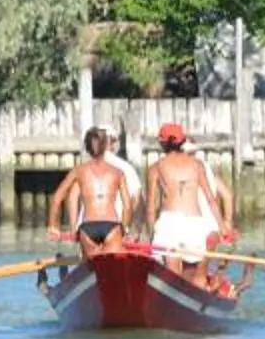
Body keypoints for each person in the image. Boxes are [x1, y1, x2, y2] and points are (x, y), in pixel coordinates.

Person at [138, 120, 235, 285]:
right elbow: (211, 200)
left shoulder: (156, 167)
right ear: (182, 141)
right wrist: (222, 227)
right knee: (194, 277)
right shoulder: (197, 165)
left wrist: (151, 235)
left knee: (173, 278)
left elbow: (150, 208)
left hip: (169, 224)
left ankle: (171, 304)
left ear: (162, 143)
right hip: (195, 224)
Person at [45, 127, 137, 246]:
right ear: (105, 147)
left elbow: (57, 198)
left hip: (88, 227)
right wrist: (124, 230)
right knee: (112, 263)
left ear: (87, 148)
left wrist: (53, 226)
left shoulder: (79, 171)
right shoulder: (118, 172)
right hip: (112, 226)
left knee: (91, 264)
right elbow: (128, 206)